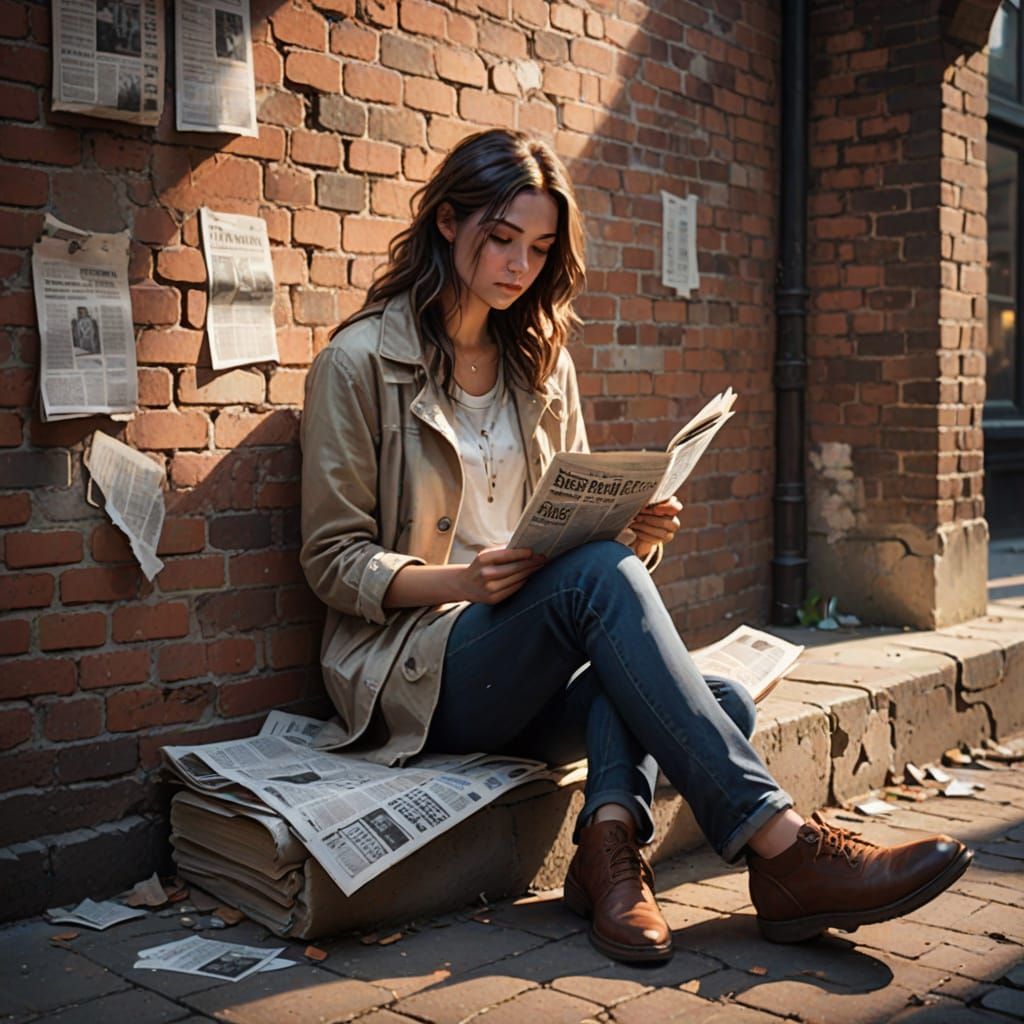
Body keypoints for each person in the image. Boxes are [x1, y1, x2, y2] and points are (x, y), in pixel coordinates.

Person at [299, 129, 971, 963]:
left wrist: (633, 533)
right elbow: (331, 562)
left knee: (714, 702)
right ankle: (784, 848)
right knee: (633, 630)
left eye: (540, 250)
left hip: (530, 655)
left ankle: (608, 861)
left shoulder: (541, 364)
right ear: (446, 221)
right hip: (423, 669)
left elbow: (577, 548)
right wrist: (462, 581)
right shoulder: (359, 361)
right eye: (502, 238)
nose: (519, 266)